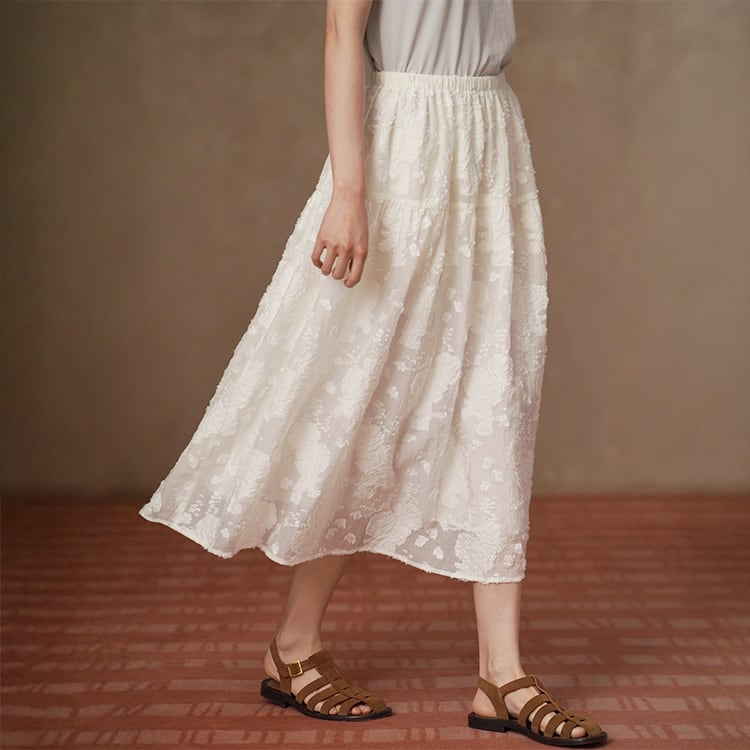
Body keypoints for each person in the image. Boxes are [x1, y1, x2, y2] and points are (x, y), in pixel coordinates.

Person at [139, 0, 608, 745]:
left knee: (496, 396)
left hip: (491, 139)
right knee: (365, 400)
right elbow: (341, 32)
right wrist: (349, 192)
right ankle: (295, 644)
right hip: (406, 148)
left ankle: (502, 673)